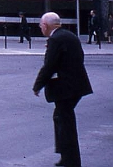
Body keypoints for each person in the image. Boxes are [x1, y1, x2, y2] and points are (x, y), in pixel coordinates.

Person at [32, 12, 92, 167]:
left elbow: (49, 65)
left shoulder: (55, 39)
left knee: (65, 123)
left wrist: (38, 85)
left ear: (45, 25)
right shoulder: (68, 35)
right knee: (61, 118)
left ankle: (71, 160)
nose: (40, 28)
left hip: (66, 88)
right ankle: (66, 157)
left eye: (40, 25)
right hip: (76, 86)